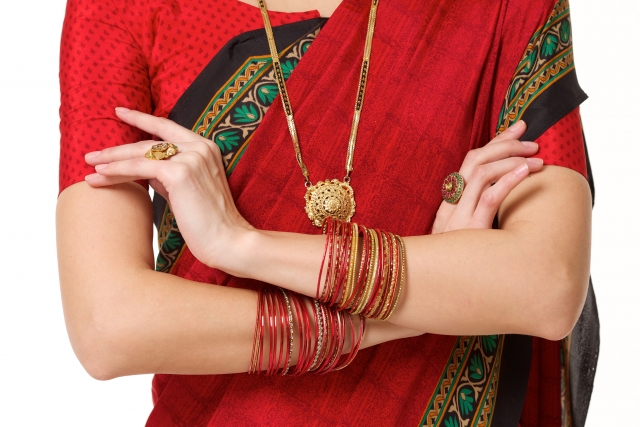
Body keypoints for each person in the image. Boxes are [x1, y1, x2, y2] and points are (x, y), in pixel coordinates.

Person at [56, 0, 599, 425]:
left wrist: (239, 244)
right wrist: (429, 302)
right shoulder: (123, 8)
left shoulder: (501, 7)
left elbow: (545, 286)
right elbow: (110, 327)